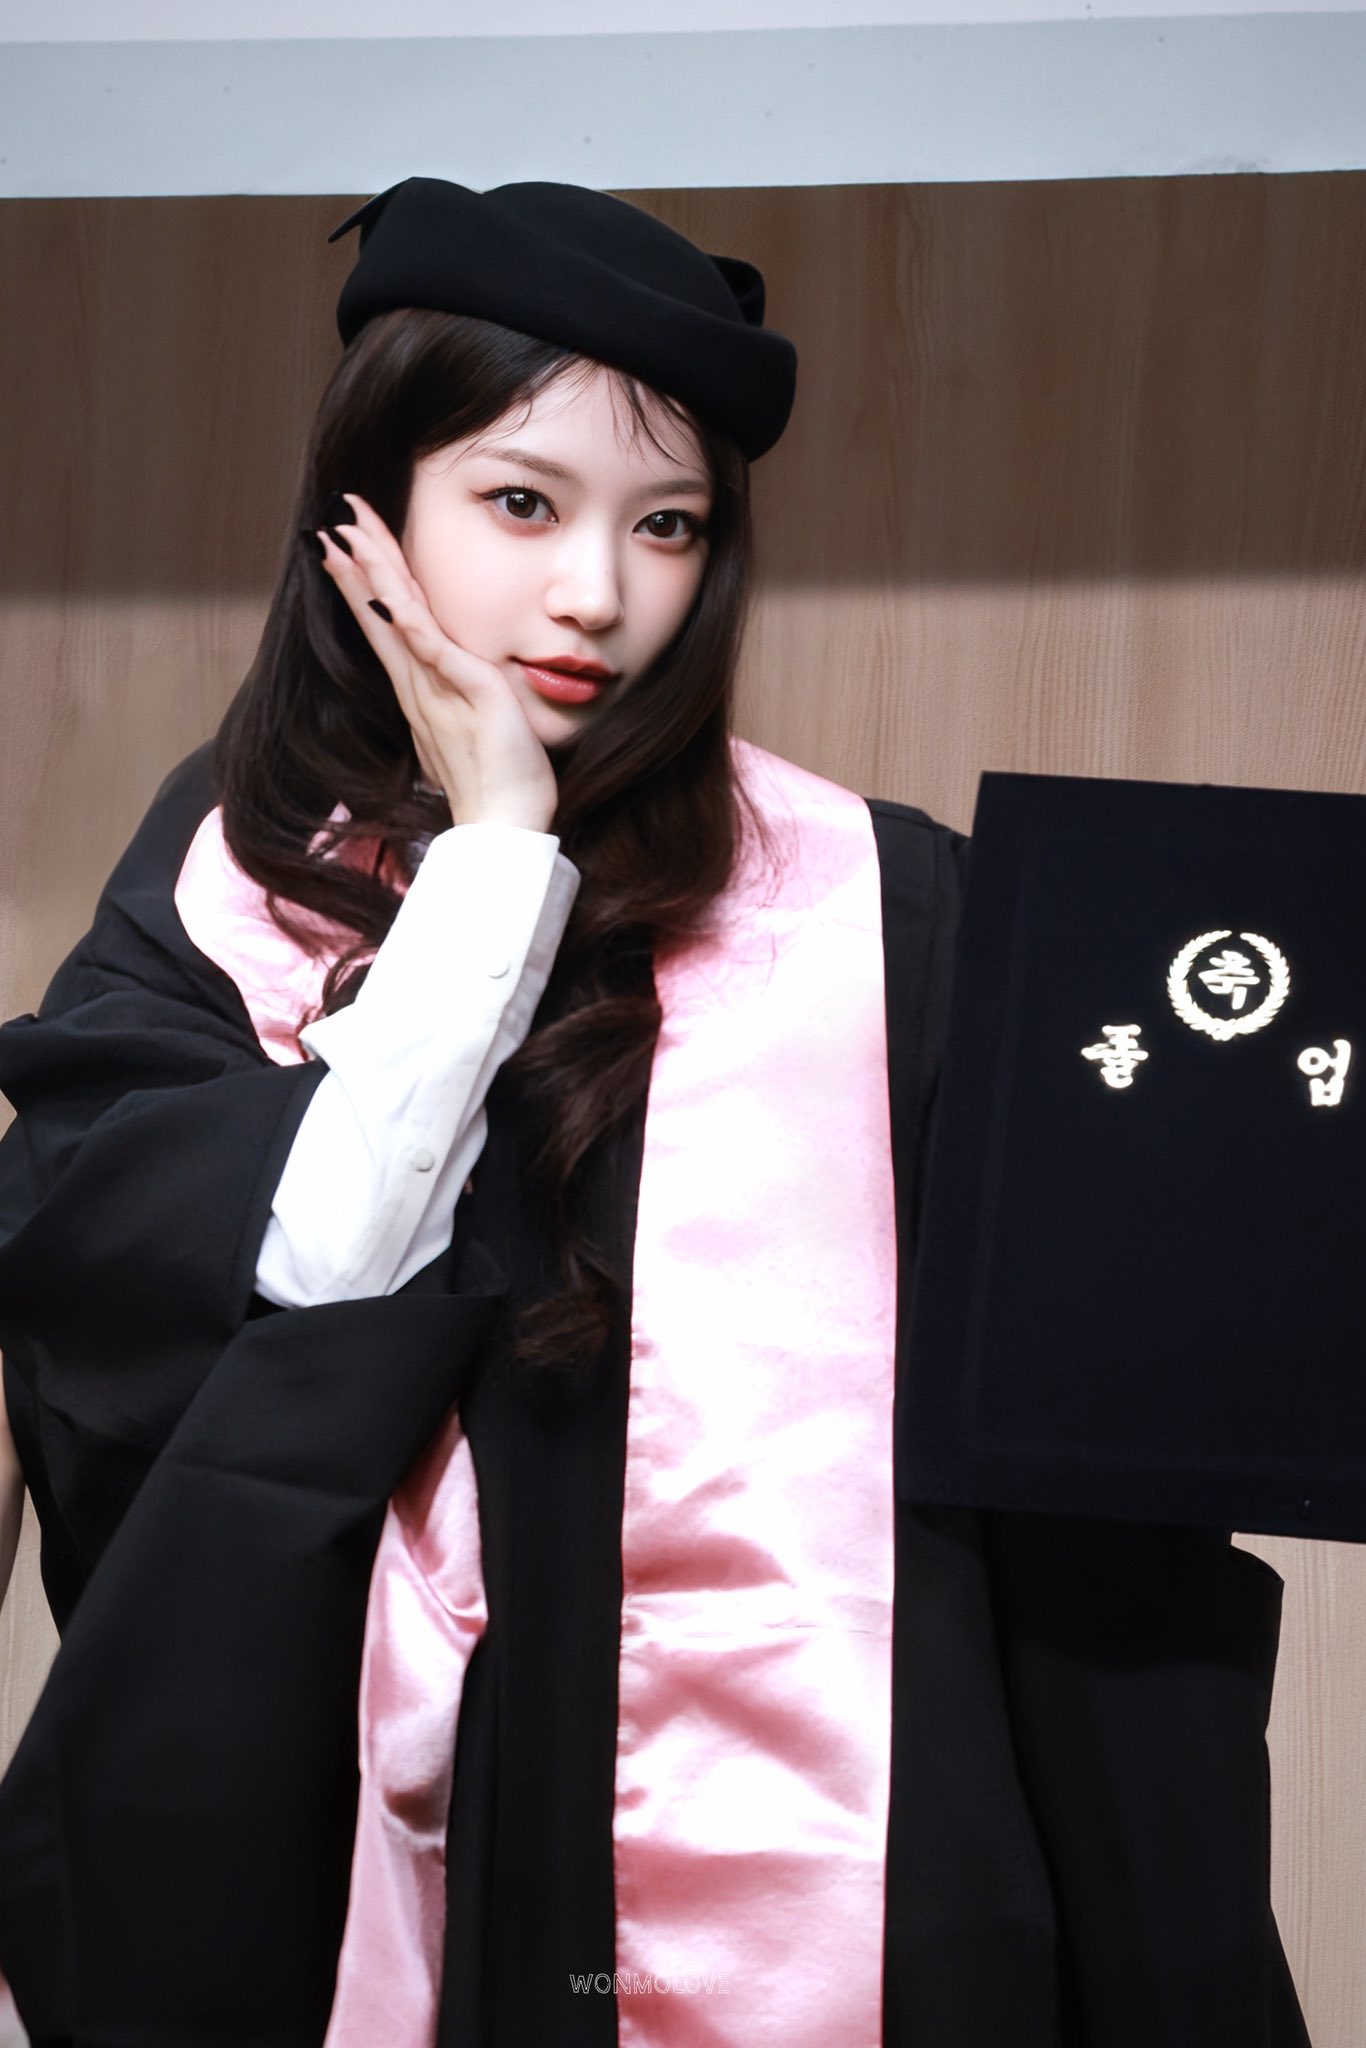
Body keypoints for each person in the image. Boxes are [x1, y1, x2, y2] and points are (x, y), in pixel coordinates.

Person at [0, 177, 1311, 2048]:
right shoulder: (233, 897)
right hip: (401, 1861)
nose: (597, 596)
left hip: (860, 1862)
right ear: (364, 511)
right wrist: (496, 862)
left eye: (668, 523)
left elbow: (1090, 1466)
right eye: (520, 503)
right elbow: (282, 1296)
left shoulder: (887, 908)